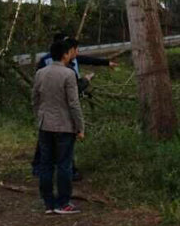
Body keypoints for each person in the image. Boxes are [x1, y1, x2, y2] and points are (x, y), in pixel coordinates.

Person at [31, 34, 117, 180]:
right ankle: (64, 173)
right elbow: (72, 100)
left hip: (48, 114)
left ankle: (45, 172)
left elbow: (87, 60)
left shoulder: (71, 61)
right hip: (60, 110)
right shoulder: (54, 65)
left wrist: (106, 63)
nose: (75, 52)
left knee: (47, 140)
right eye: (72, 48)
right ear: (65, 50)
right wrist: (80, 126)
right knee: (61, 146)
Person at [32, 38, 84, 215]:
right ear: (65, 54)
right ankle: (63, 203)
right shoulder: (69, 74)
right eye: (70, 51)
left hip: (45, 125)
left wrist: (39, 117)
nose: (72, 54)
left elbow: (35, 99)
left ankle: (48, 202)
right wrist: (80, 126)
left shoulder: (41, 73)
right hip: (64, 126)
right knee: (64, 165)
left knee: (46, 164)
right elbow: (73, 104)